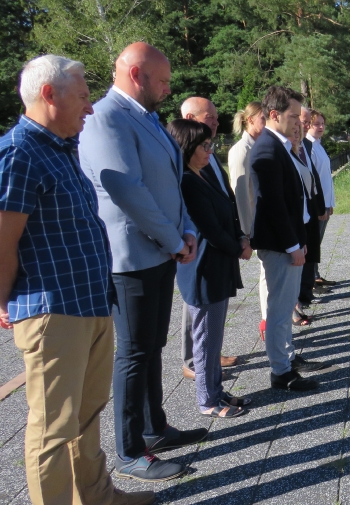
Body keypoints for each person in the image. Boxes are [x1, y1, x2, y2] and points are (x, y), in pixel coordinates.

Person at [0, 55, 154, 505]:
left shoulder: (61, 150)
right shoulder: (19, 153)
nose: (90, 107)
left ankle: (96, 496)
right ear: (49, 94)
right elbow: (3, 242)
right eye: (84, 96)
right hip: (53, 312)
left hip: (89, 303)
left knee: (86, 416)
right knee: (53, 427)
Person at [79, 41, 206, 482]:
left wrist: (186, 229)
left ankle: (154, 428)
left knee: (152, 346)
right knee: (133, 354)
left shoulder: (145, 117)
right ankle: (129, 451)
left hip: (161, 250)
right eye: (163, 81)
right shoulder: (105, 119)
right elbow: (127, 190)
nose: (169, 90)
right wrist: (174, 238)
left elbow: (171, 183)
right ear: (136, 75)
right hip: (131, 258)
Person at [168, 119, 252, 418]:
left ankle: (216, 390)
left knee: (214, 337)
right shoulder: (186, 182)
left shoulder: (202, 175)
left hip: (216, 267)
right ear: (187, 147)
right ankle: (208, 401)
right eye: (204, 145)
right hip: (203, 270)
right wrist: (239, 248)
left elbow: (227, 211)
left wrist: (241, 236)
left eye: (210, 144)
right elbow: (210, 228)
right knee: (205, 340)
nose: (210, 150)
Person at [250, 86, 320, 391]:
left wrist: (300, 239)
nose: (299, 123)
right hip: (280, 245)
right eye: (293, 116)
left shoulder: (280, 145)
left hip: (290, 239)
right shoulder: (267, 148)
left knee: (285, 305)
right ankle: (281, 371)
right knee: (279, 312)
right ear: (274, 115)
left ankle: (287, 360)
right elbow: (273, 204)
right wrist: (292, 245)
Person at [178, 97, 240, 381]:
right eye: (209, 117)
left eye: (215, 117)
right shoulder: (187, 162)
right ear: (190, 119)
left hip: (219, 246)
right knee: (196, 308)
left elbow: (224, 193)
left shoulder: (209, 152)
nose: (215, 122)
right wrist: (235, 245)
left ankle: (210, 357)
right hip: (201, 251)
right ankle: (195, 362)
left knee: (210, 316)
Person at [227, 102, 269, 341]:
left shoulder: (258, 145)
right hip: (255, 225)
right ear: (250, 120)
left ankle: (272, 319)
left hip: (264, 221)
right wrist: (246, 234)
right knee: (267, 275)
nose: (267, 123)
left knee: (270, 273)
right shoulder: (241, 150)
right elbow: (241, 195)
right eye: (263, 118)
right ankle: (267, 321)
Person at [292, 106, 328, 332]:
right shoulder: (288, 146)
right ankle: (296, 302)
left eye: (307, 122)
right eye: (304, 121)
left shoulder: (306, 145)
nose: (304, 126)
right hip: (297, 216)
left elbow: (315, 178)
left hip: (310, 210)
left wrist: (322, 205)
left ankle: (304, 293)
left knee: (311, 252)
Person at [303, 109, 337, 288]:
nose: (321, 127)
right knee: (313, 242)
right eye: (317, 124)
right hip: (317, 204)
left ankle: (314, 274)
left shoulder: (318, 144)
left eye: (323, 124)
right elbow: (313, 181)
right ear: (308, 125)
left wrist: (330, 203)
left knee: (318, 241)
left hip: (325, 202)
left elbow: (325, 178)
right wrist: (319, 206)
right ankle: (312, 278)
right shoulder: (308, 146)